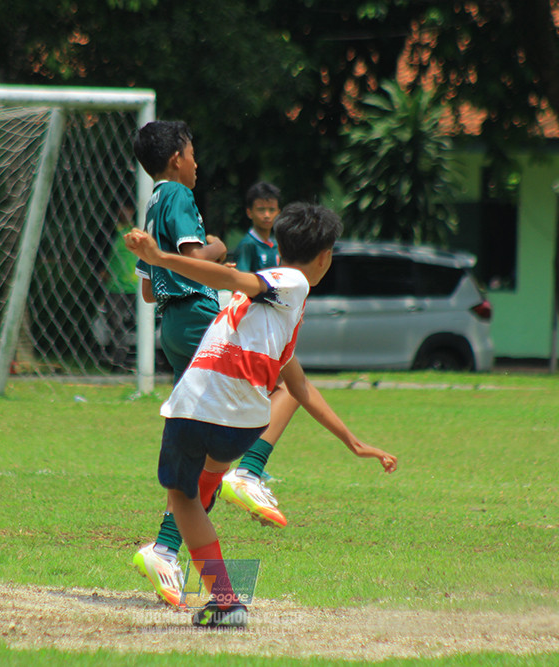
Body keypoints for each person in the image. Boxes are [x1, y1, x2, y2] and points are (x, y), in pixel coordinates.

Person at [124, 202, 398, 627]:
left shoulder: (285, 281)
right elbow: (299, 387)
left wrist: (159, 259)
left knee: (183, 500)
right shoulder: (285, 309)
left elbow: (232, 277)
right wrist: (354, 442)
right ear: (325, 256)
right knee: (205, 479)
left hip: (200, 406)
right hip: (242, 425)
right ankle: (234, 478)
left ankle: (225, 599)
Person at [129, 120, 229, 607]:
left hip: (173, 325)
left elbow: (149, 288)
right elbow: (191, 258)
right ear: (175, 159)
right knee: (254, 400)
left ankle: (169, 547)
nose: (197, 163)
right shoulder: (180, 197)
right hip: (194, 318)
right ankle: (168, 546)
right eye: (192, 153)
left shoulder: (151, 203)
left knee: (206, 435)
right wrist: (218, 251)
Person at [220, 181, 300, 527]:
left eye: (272, 208)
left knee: (277, 394)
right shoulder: (248, 246)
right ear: (250, 212)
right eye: (261, 209)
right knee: (284, 392)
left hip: (270, 335)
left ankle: (246, 469)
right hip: (253, 335)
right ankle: (247, 469)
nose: (267, 214)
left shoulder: (279, 247)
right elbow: (244, 285)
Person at [100, 200, 139, 370]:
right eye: (122, 208)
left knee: (143, 324)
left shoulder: (140, 231)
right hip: (115, 288)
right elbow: (96, 252)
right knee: (116, 324)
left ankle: (147, 360)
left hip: (137, 287)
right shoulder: (108, 232)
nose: (126, 211)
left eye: (128, 208)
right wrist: (100, 270)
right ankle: (119, 361)